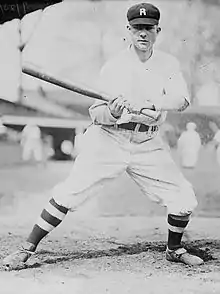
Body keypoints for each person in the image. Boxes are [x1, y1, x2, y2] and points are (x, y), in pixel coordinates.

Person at [3, 2, 204, 269]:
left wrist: (153, 103)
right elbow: (96, 114)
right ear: (128, 31)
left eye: (148, 28)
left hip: (147, 142)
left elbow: (181, 100)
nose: (142, 34)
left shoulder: (168, 64)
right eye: (137, 29)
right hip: (110, 139)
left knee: (184, 198)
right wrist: (113, 111)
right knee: (68, 193)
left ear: (158, 30)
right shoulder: (115, 66)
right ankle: (26, 249)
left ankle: (174, 248)